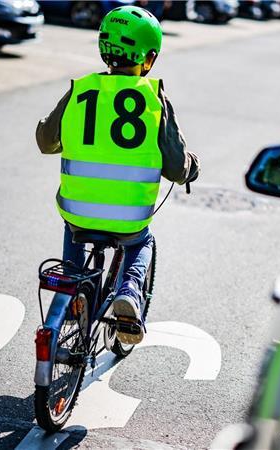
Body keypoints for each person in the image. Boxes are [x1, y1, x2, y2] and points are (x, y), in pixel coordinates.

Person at [35, 5, 199, 345]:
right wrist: (190, 168)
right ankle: (130, 291)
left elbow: (45, 141)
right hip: (128, 220)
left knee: (75, 229)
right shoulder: (153, 98)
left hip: (78, 211)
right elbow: (175, 168)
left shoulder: (81, 90)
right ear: (149, 59)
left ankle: (72, 286)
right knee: (142, 242)